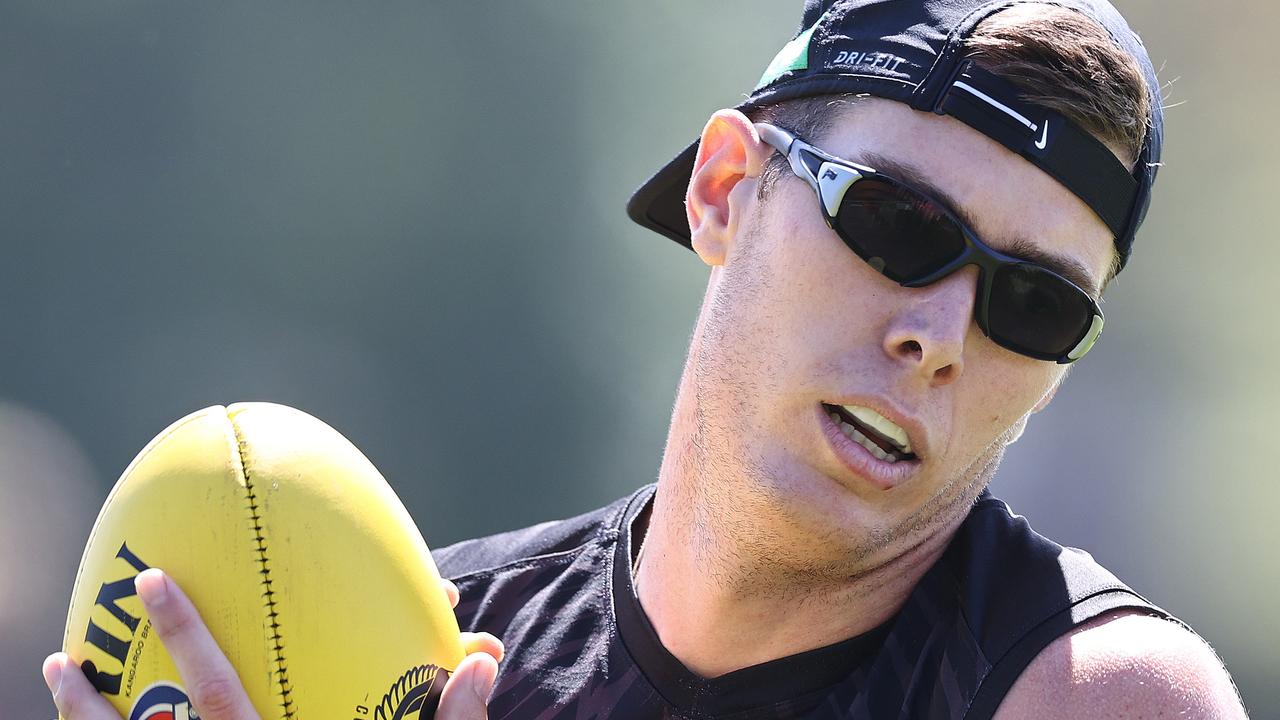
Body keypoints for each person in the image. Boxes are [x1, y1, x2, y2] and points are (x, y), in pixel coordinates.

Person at [43, 1, 1249, 718]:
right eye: (899, 227)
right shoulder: (434, 647)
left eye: (1030, 308)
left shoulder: (1093, 695)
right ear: (724, 192)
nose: (935, 336)